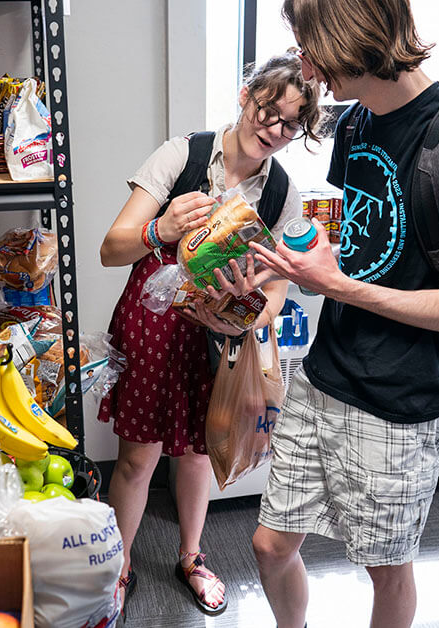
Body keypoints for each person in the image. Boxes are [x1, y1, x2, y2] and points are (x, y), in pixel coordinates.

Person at [234, 2, 439, 627]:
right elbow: (335, 244)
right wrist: (273, 264)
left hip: (400, 399)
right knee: (269, 546)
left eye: (309, 45)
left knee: (385, 570)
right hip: (326, 372)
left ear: (350, 37)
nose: (305, 65)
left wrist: (336, 287)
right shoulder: (354, 125)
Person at [98, 51, 323, 618]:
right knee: (138, 459)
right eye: (268, 110)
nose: (273, 130)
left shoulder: (279, 195)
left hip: (217, 333)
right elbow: (111, 248)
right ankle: (122, 562)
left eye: (290, 124)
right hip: (153, 322)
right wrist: (162, 227)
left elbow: (276, 291)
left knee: (199, 452)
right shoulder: (186, 154)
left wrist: (253, 312)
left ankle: (191, 555)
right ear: (245, 97)